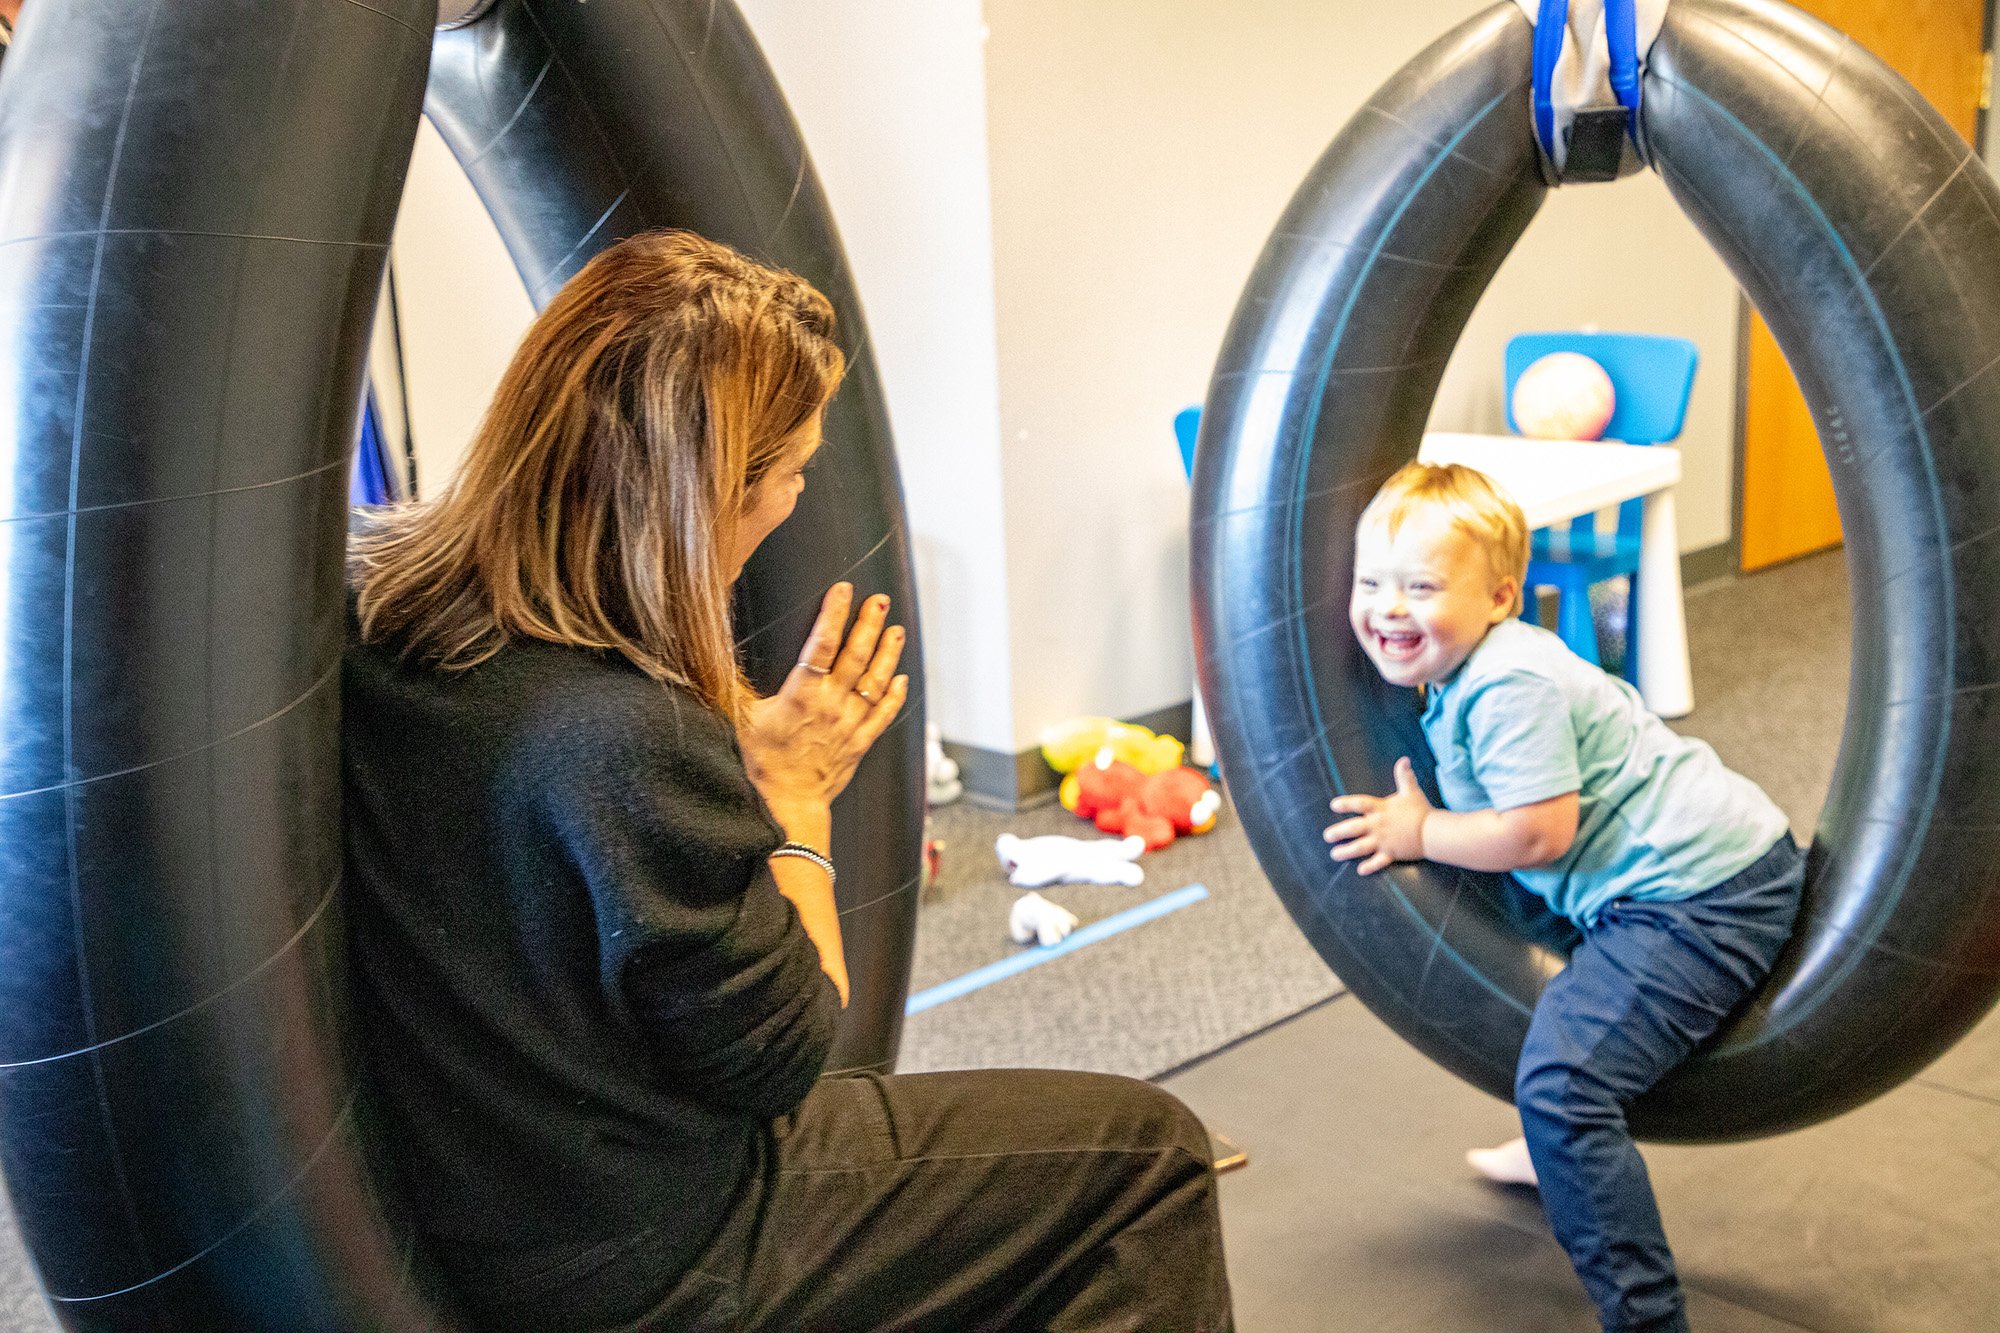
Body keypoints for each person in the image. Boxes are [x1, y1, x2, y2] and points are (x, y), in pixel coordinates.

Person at [342, 229, 1232, 1332]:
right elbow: (785, 1061)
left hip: (455, 1202)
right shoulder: (632, 741)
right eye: (790, 471)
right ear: (710, 493)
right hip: (641, 1255)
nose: (797, 498)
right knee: (1144, 1159)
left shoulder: (370, 625)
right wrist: (790, 798)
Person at [1324, 462, 1802, 1333]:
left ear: (1501, 595)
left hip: (1703, 894)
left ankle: (1648, 1318)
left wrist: (1421, 833)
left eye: (1422, 586)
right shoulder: (1460, 667)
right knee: (1551, 1006)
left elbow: (1538, 831)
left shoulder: (1511, 681)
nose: (1389, 608)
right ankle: (1562, 1156)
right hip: (1633, 882)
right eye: (1372, 583)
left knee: (1564, 1084)